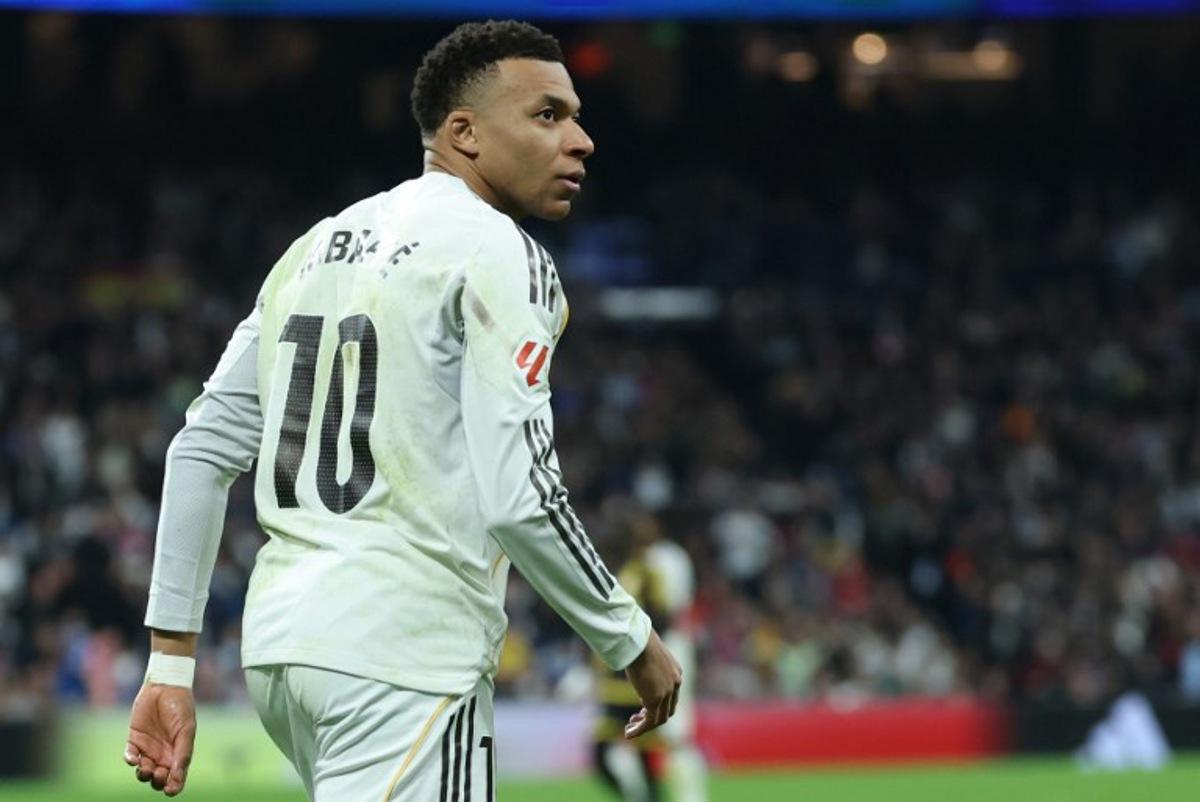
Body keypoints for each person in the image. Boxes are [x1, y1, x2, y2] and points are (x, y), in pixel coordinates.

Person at [123, 20, 682, 800]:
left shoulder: (314, 247)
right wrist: (629, 636)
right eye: (549, 114)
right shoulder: (498, 252)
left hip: (286, 653)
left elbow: (201, 450)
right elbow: (521, 498)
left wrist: (170, 663)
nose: (582, 139)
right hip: (407, 650)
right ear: (464, 133)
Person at [592, 513, 707, 802]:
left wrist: (637, 643)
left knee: (665, 742)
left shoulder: (647, 571)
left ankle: (689, 796)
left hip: (637, 673)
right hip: (616, 674)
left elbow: (664, 617)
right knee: (626, 753)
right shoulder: (616, 569)